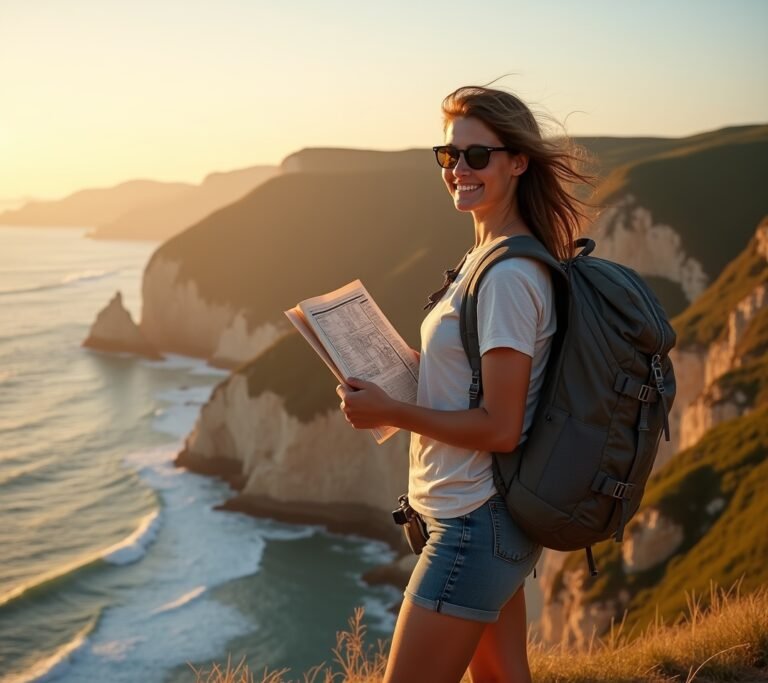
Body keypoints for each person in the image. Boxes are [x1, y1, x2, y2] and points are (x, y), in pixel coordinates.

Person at [336, 84, 594, 683]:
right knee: (503, 679)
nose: (458, 170)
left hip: (472, 520)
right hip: (483, 516)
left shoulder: (507, 276)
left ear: (518, 161)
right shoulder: (485, 258)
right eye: (449, 155)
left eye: (477, 155)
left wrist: (392, 413)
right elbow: (473, 387)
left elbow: (501, 427)